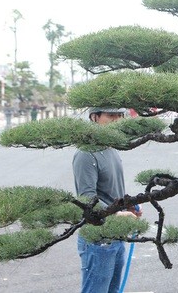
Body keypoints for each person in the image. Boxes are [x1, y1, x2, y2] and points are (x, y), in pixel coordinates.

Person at [73, 107, 142, 293]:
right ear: (94, 117)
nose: (117, 120)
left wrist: (128, 205)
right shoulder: (87, 154)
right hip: (98, 239)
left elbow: (111, 190)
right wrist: (119, 214)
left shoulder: (111, 148)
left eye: (120, 115)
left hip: (116, 235)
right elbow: (87, 197)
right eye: (111, 115)